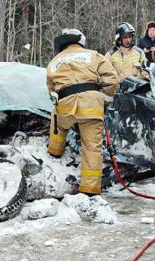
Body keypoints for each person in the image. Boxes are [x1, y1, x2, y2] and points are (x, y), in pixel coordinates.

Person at [46, 28, 119, 195]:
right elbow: (111, 80)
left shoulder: (54, 62)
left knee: (56, 117)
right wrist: (104, 100)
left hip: (65, 107)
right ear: (81, 42)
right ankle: (90, 189)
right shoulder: (94, 55)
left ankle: (55, 150)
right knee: (92, 147)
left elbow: (51, 91)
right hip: (91, 107)